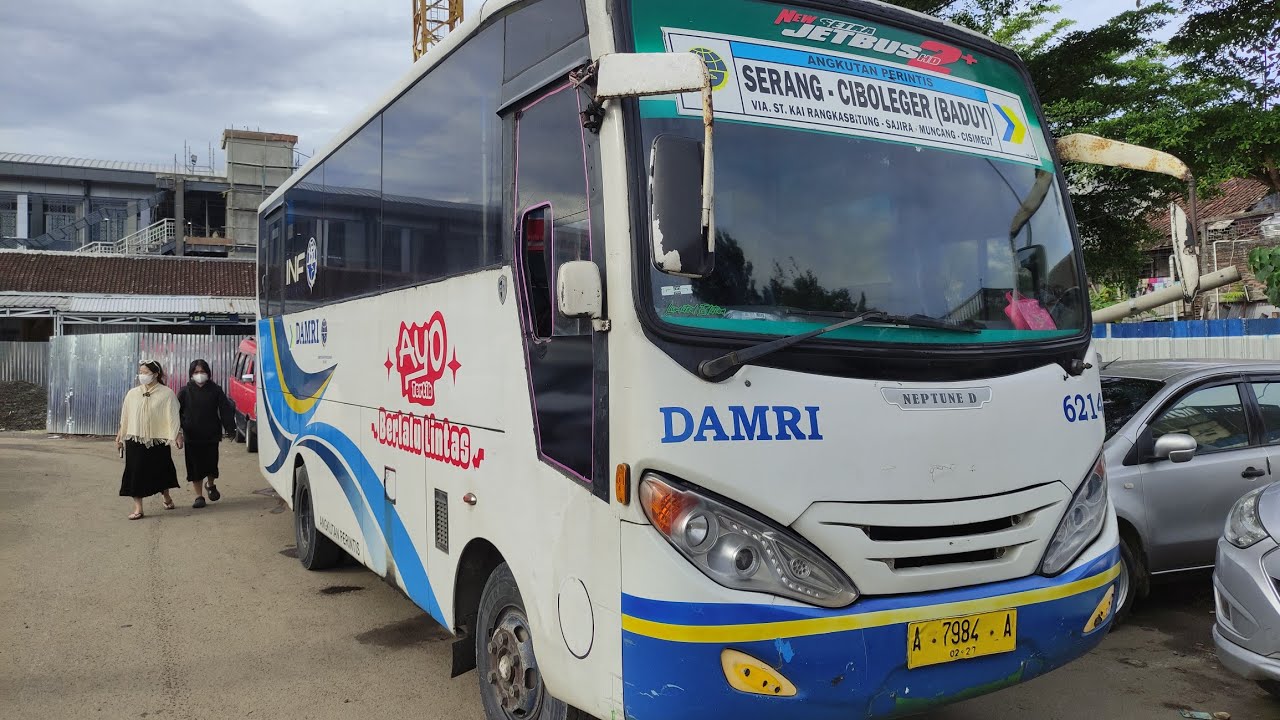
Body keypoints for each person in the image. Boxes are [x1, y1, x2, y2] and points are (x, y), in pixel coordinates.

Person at [116, 360, 183, 520]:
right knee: (135, 472)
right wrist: (120, 435)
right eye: (141, 372)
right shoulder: (132, 394)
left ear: (156, 374)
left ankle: (166, 497)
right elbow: (125, 417)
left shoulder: (167, 393)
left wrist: (176, 434)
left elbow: (173, 416)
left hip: (157, 440)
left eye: (146, 372)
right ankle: (138, 508)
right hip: (135, 439)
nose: (142, 375)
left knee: (161, 470)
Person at [177, 359, 236, 509]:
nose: (199, 375)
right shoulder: (184, 392)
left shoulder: (216, 390)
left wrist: (230, 429)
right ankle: (198, 496)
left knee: (211, 464)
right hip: (192, 435)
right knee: (194, 466)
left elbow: (225, 410)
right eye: (196, 372)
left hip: (211, 434)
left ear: (208, 373)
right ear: (191, 374)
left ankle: (210, 484)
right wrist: (176, 433)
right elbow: (176, 413)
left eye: (202, 372)